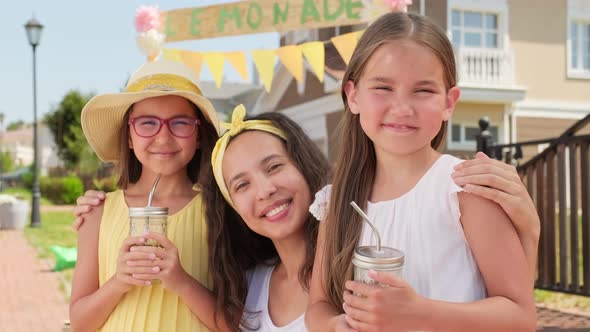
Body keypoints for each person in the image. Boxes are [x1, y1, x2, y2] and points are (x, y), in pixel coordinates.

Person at [305, 12, 536, 332]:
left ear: (448, 102)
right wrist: (335, 326)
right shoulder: (337, 201)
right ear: (353, 96)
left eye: (423, 91)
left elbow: (519, 317)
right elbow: (318, 307)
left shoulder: (465, 189)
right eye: (383, 87)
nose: (402, 108)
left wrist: (419, 312)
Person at [69, 60, 227, 332]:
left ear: (199, 135)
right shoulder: (97, 212)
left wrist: (181, 282)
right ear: (129, 136)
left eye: (180, 123)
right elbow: (80, 323)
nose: (163, 138)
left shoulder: (221, 211)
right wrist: (119, 281)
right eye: (147, 123)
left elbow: (236, 324)